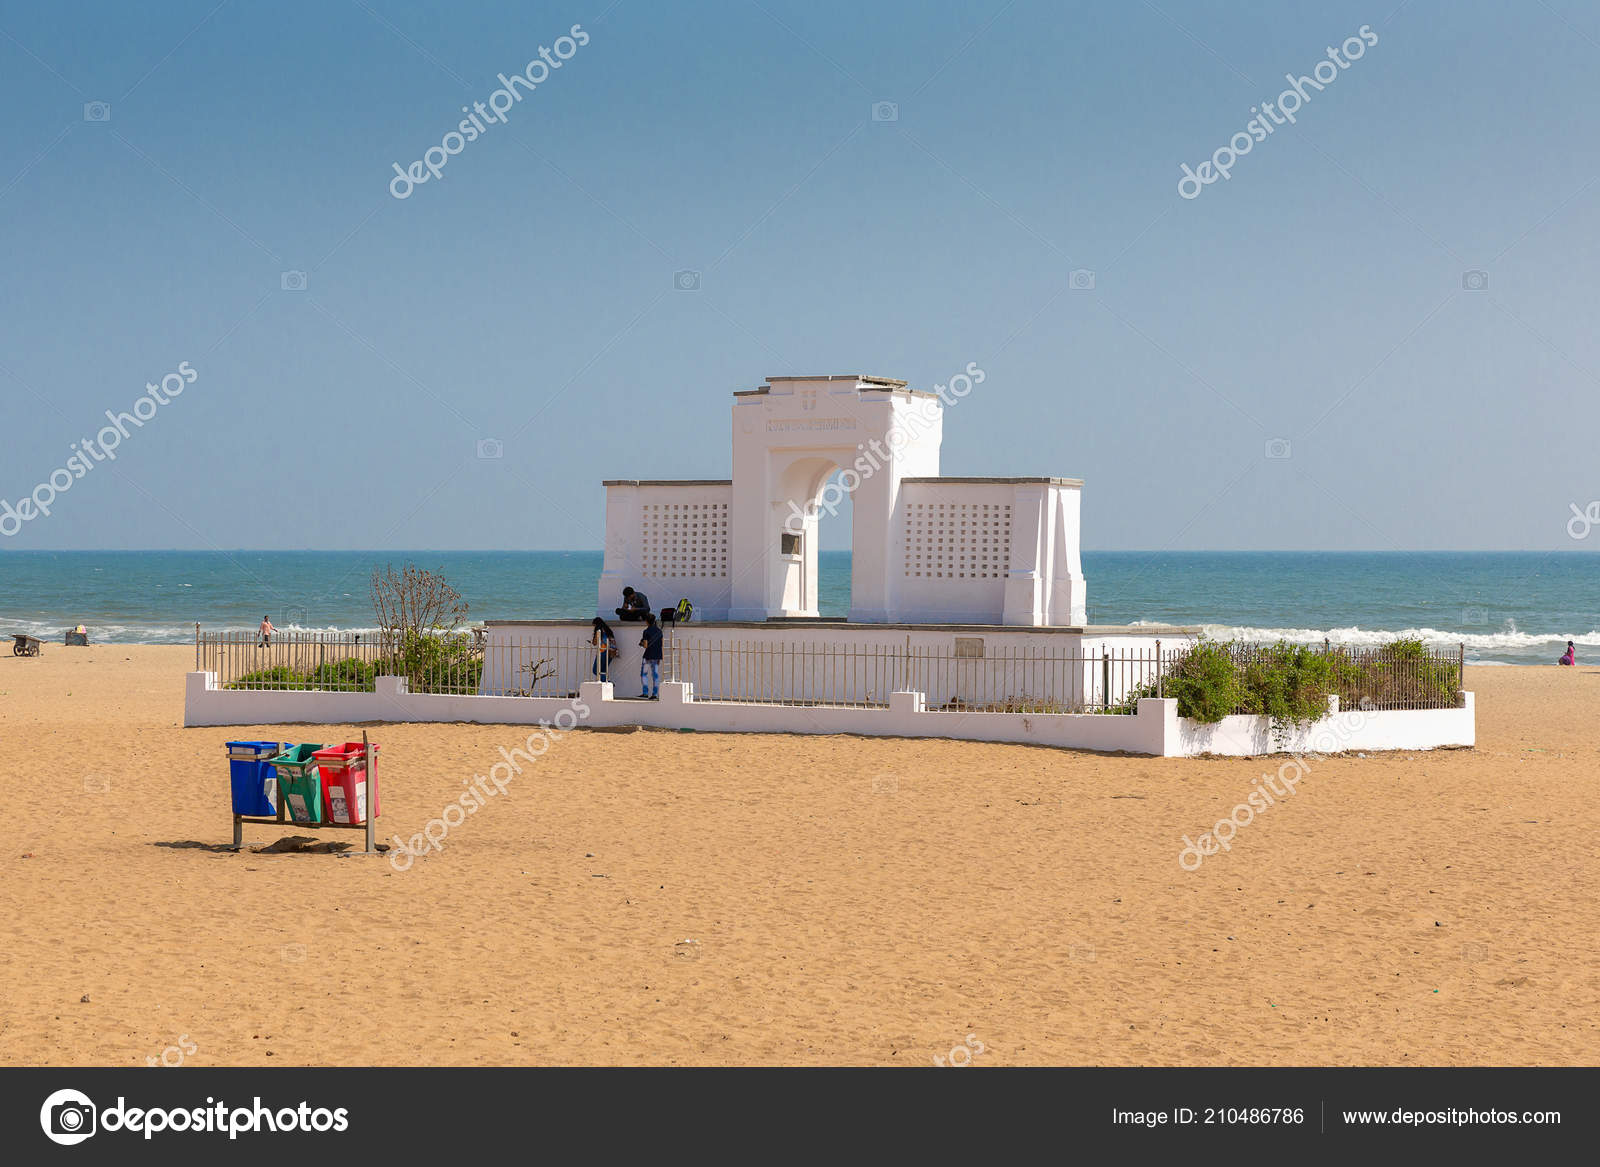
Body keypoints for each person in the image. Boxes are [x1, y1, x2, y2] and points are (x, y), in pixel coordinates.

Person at [639, 613, 663, 699]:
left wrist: (641, 644)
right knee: (655, 675)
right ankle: (655, 694)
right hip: (657, 655)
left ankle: (645, 692)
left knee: (644, 674)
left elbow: (645, 645)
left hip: (648, 655)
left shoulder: (646, 631)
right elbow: (661, 643)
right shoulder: (659, 631)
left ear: (646, 621)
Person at [591, 616, 617, 682]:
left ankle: (607, 682)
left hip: (603, 651)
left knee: (595, 670)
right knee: (603, 671)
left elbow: (594, 642)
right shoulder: (608, 630)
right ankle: (605, 685)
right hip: (611, 652)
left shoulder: (598, 630)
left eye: (594, 625)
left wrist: (593, 639)